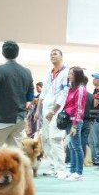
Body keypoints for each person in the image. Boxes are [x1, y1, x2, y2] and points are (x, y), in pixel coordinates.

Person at [0, 41, 34, 152]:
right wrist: (28, 101)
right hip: (20, 119)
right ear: (17, 53)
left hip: (2, 119)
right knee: (16, 153)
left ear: (3, 53)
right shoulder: (27, 71)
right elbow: (31, 93)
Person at [38, 48, 69, 178]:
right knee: (45, 139)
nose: (52, 56)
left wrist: (54, 110)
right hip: (45, 109)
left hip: (57, 110)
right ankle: (52, 166)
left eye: (55, 54)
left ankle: (61, 169)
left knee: (55, 138)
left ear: (61, 56)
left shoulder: (66, 72)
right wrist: (38, 110)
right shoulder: (48, 72)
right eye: (51, 54)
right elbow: (43, 92)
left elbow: (64, 93)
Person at [62, 66, 89, 181]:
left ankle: (79, 172)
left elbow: (79, 108)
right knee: (72, 147)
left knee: (77, 147)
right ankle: (72, 170)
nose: (69, 76)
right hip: (69, 119)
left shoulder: (81, 89)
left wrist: (74, 124)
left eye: (71, 74)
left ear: (77, 75)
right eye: (69, 74)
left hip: (75, 121)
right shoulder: (71, 88)